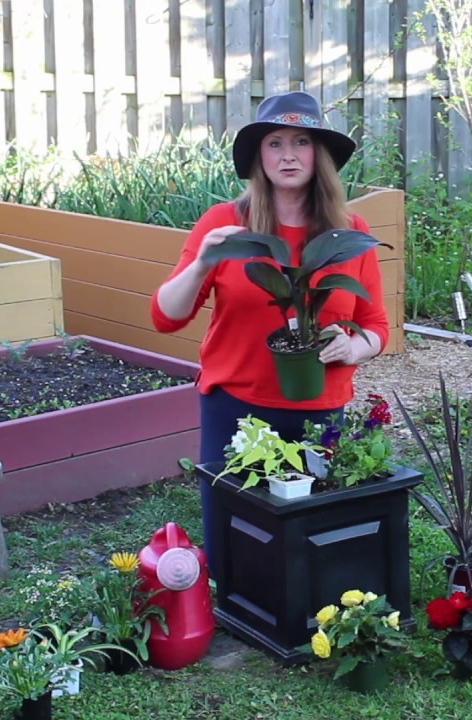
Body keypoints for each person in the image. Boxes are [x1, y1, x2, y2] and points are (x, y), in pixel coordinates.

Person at [150, 91, 389, 576]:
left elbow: (377, 327)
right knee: (235, 532)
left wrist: (353, 347)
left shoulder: (350, 233)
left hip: (320, 409)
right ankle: (239, 612)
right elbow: (165, 316)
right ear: (258, 156)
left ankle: (312, 615)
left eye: (301, 142)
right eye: (275, 142)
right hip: (236, 407)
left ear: (318, 156)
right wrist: (202, 263)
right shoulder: (224, 224)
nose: (288, 154)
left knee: (312, 532)